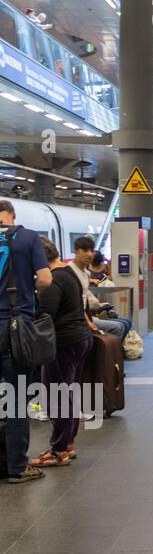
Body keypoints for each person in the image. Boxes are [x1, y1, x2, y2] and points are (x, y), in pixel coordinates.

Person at [0, 198, 53, 484]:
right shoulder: (28, 237)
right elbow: (45, 279)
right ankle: (17, 467)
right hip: (15, 328)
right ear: (12, 215)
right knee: (16, 399)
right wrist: (24, 287)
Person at [31, 238, 92, 468]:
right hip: (80, 338)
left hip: (63, 343)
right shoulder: (68, 272)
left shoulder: (53, 280)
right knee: (69, 392)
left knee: (56, 395)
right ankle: (68, 443)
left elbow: (46, 315)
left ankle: (58, 450)